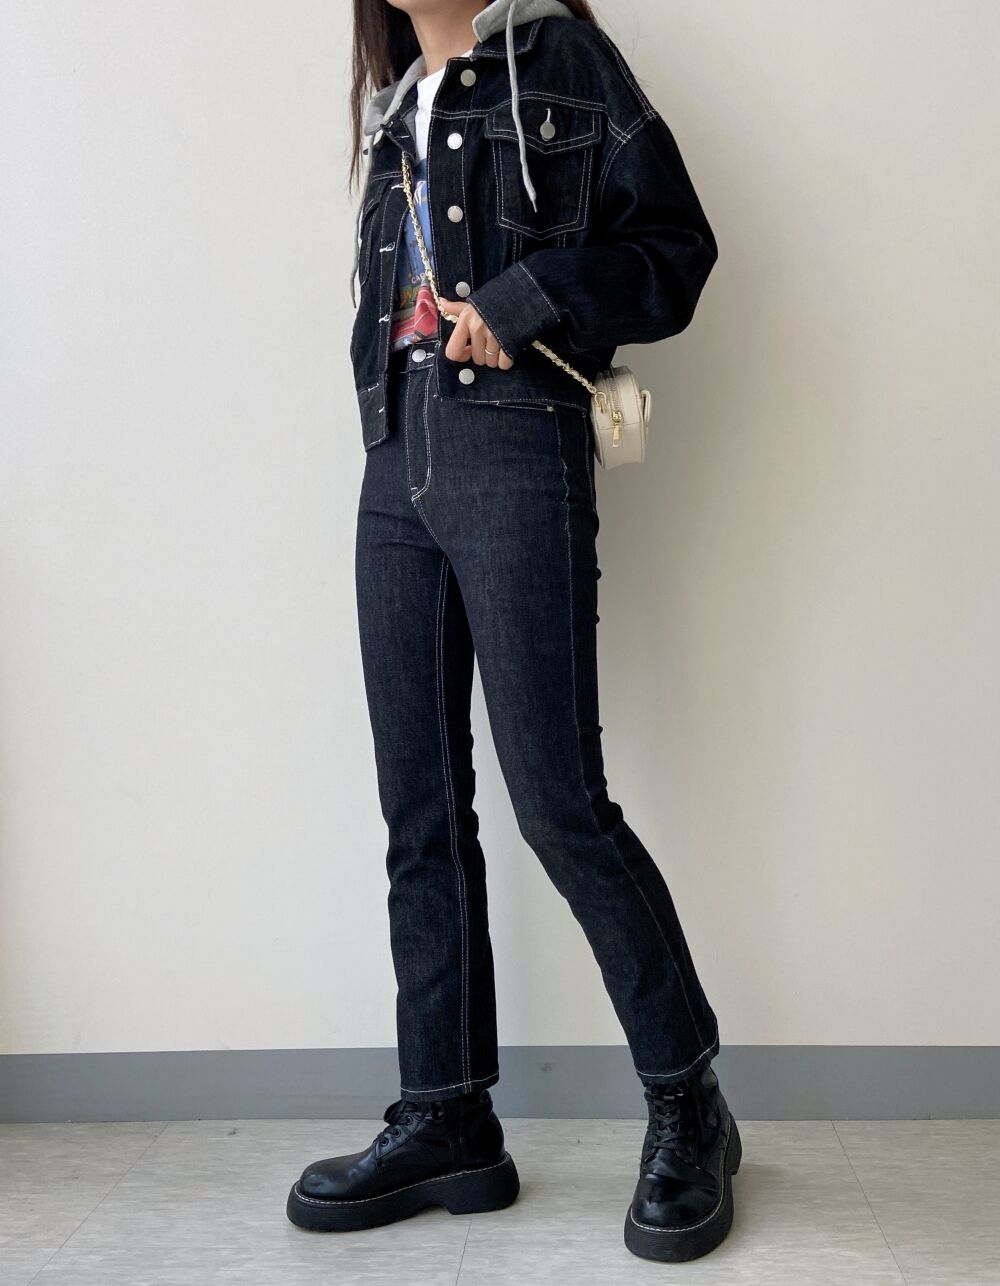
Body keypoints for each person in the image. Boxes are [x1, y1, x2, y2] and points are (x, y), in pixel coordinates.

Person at [286, 0, 740, 1263]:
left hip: (512, 442)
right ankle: (448, 1115)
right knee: (418, 808)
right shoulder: (394, 109)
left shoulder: (561, 60)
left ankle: (688, 1099)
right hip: (396, 457)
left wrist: (533, 293)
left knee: (559, 803)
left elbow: (676, 246)